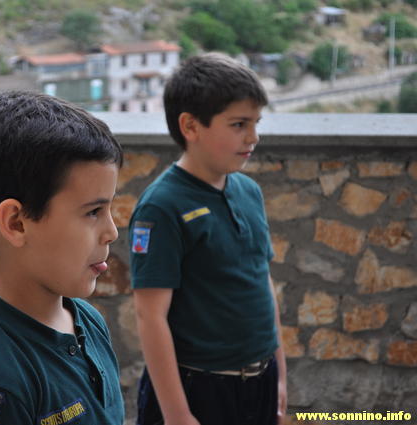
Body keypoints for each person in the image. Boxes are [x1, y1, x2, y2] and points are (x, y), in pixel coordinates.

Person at [0, 91, 125, 425]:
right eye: (93, 212)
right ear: (16, 223)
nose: (112, 232)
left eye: (109, 208)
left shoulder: (88, 321)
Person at [129, 53, 287, 425]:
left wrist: (279, 375)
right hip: (198, 388)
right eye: (238, 124)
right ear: (190, 126)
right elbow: (150, 316)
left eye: (256, 123)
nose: (253, 137)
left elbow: (262, 282)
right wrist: (177, 414)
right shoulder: (161, 207)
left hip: (260, 381)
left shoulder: (249, 191)